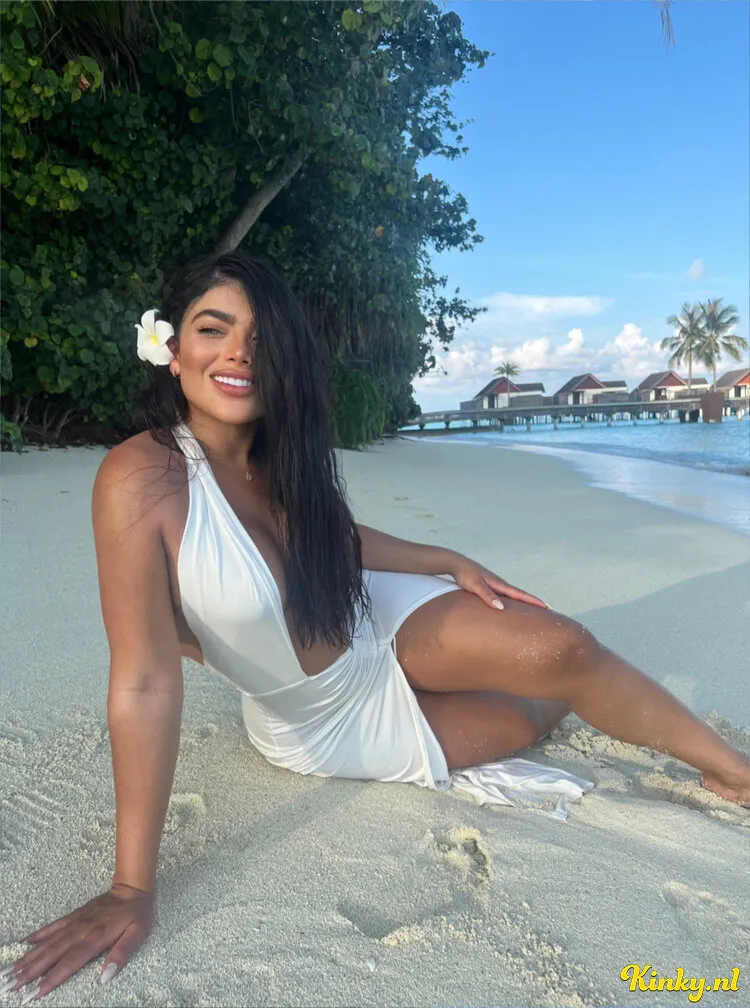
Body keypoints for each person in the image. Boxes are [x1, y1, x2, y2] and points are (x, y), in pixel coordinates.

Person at [3, 252, 748, 1004]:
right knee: (526, 715)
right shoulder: (140, 478)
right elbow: (142, 679)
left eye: (261, 339)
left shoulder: (279, 456)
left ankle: (732, 771)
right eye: (213, 330)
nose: (238, 354)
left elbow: (337, 540)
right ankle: (541, 691)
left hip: (366, 610)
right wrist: (131, 887)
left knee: (561, 645)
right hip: (325, 714)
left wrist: (446, 560)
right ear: (173, 350)